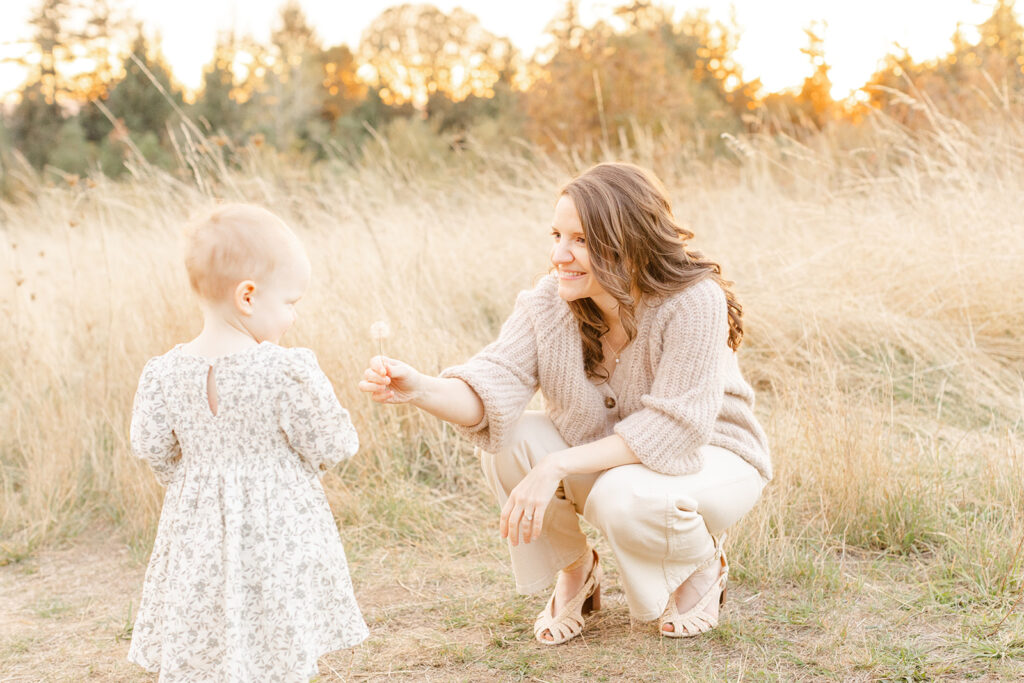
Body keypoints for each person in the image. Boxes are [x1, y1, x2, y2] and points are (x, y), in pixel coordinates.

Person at [359, 162, 771, 645]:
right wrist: (422, 389)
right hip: (617, 458)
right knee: (507, 441)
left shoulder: (693, 301)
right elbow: (493, 386)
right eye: (557, 235)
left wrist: (556, 465)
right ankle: (576, 570)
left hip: (713, 457)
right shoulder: (548, 303)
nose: (559, 255)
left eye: (581, 240)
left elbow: (675, 430)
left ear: (630, 242)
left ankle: (701, 563)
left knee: (623, 497)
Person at [128, 204, 368, 680]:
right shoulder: (283, 370)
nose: (293, 317)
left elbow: (151, 445)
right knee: (275, 629)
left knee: (211, 628)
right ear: (248, 296)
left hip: (196, 529)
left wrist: (194, 479)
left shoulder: (164, 374)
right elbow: (334, 442)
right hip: (276, 530)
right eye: (290, 303)